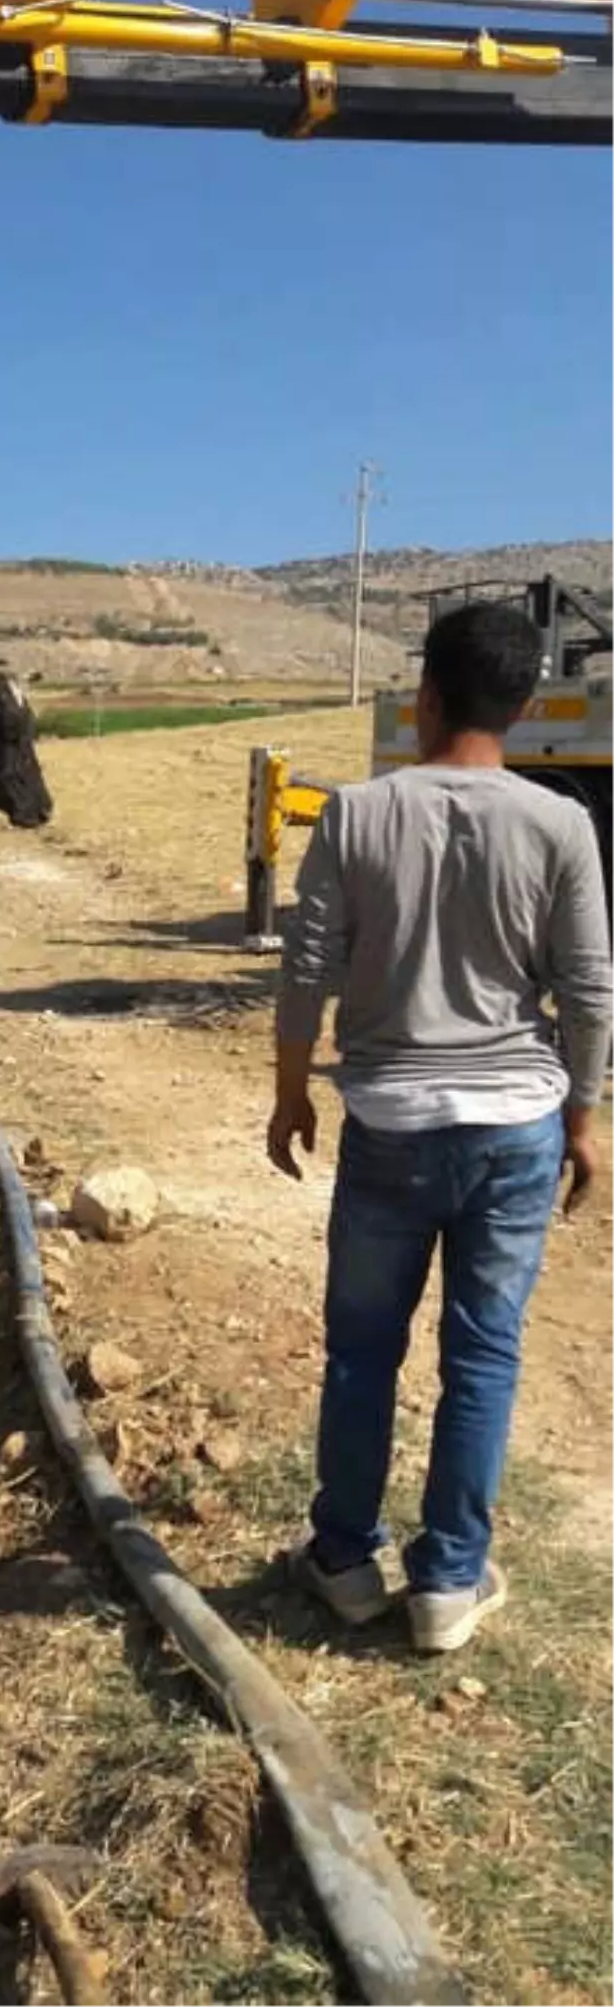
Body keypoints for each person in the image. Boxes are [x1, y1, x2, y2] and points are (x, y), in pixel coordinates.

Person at [268, 600, 613, 1654]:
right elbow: (590, 990)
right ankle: (447, 1586)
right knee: (484, 1357)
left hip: (389, 1125)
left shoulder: (355, 815)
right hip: (517, 1130)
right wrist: (586, 1120)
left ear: (425, 696)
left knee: (362, 1352)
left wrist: (291, 1092)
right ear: (520, 706)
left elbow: (306, 969)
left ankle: (343, 1559)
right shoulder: (561, 824)